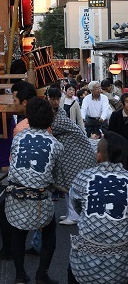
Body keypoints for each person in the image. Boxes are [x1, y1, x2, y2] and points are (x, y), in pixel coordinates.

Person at [65, 131, 128, 284]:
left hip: (86, 251)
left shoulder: (84, 176)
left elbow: (76, 204)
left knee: (73, 274)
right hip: (121, 254)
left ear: (99, 155)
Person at [5, 97, 64, 284]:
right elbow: (54, 175)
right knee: (49, 233)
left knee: (18, 233)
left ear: (28, 116)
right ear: (49, 118)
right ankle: (41, 275)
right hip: (39, 198)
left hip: (16, 195)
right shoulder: (55, 144)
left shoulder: (19, 137)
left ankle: (20, 275)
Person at [0, 80, 38, 262]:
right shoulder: (40, 119)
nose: (13, 103)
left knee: (5, 207)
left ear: (24, 102)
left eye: (15, 99)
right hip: (40, 178)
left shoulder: (23, 127)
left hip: (25, 178)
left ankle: (12, 254)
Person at [47, 87, 96, 226]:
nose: (55, 102)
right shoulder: (55, 113)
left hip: (75, 151)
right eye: (53, 99)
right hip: (69, 151)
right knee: (68, 182)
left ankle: (74, 215)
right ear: (48, 98)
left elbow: (53, 128)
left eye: (57, 99)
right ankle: (71, 213)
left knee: (70, 182)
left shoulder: (59, 116)